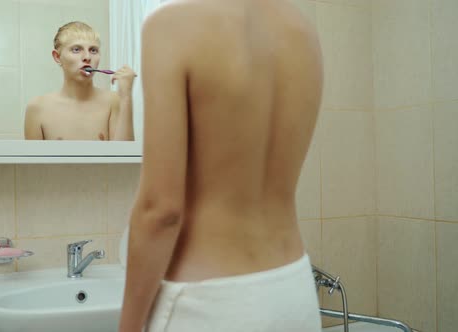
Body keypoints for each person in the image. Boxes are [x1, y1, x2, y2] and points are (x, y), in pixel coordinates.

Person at [119, 0, 324, 331]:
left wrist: (127, 327)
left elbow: (161, 211)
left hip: (210, 304)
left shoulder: (172, 25)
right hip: (293, 288)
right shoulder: (301, 30)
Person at [24, 21, 135, 141]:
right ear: (57, 57)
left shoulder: (114, 101)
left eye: (93, 50)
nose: (87, 57)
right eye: (76, 49)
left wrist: (126, 96)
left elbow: (124, 157)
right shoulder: (37, 108)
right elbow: (34, 160)